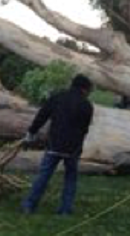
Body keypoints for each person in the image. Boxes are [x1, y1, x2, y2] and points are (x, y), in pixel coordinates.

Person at [22, 74, 95, 215]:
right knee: (70, 178)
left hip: (54, 144)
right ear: (84, 89)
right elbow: (84, 129)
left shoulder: (57, 98)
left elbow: (42, 116)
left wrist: (31, 132)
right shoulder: (87, 105)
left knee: (43, 175)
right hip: (73, 147)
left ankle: (29, 205)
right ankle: (65, 210)